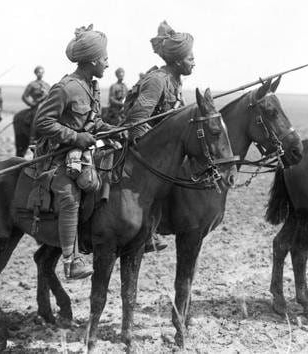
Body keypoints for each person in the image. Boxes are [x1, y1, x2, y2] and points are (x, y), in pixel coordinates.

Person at [34, 24, 111, 280]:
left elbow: (94, 122)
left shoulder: (92, 86)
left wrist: (114, 130)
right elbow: (42, 122)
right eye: (104, 59)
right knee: (69, 197)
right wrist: (76, 137)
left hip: (85, 154)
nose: (107, 64)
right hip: (59, 157)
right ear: (92, 60)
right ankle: (71, 260)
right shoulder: (66, 87)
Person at [122, 20, 195, 252]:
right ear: (176, 60)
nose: (194, 61)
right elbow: (137, 120)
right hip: (142, 149)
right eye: (189, 57)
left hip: (166, 147)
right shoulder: (157, 80)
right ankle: (148, 230)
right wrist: (155, 154)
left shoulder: (175, 81)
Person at [21, 66, 51, 143]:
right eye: (38, 72)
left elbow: (51, 95)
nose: (40, 74)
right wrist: (31, 104)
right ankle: (32, 137)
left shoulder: (47, 85)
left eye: (41, 72)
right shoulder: (32, 84)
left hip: (47, 105)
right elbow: (24, 96)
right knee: (36, 115)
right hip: (37, 106)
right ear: (35, 73)